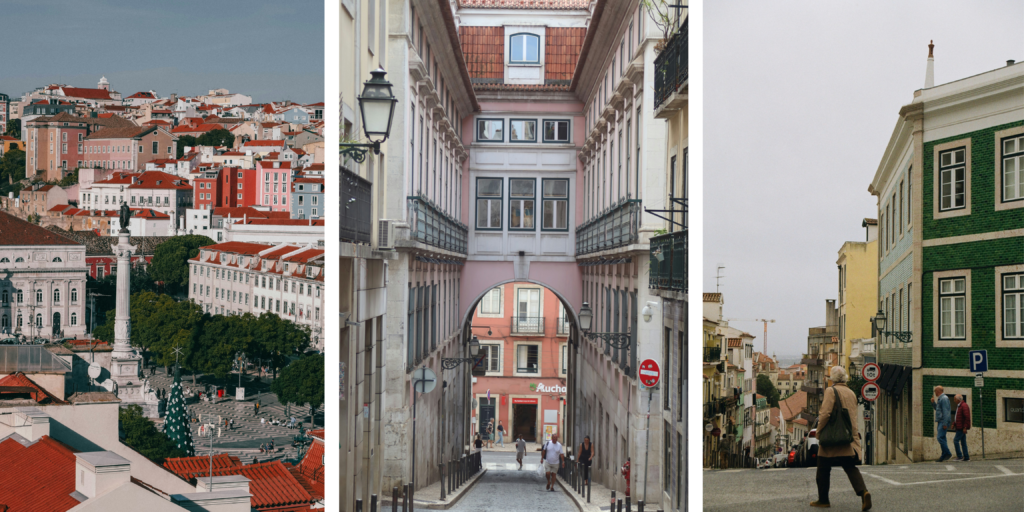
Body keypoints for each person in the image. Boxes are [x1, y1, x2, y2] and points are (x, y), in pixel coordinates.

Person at [810, 366, 870, 510]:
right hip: (848, 437)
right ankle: (864, 493)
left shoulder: (831, 391)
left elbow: (825, 414)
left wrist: (819, 431)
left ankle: (823, 499)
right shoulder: (851, 393)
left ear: (833, 378)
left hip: (832, 437)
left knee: (823, 468)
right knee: (850, 467)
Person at [931, 385, 953, 462]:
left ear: (938, 391)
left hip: (942, 421)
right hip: (940, 421)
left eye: (935, 391)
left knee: (940, 437)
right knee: (943, 438)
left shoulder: (944, 398)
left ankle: (948, 453)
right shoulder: (941, 399)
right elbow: (938, 409)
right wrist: (933, 403)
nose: (935, 393)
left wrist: (945, 423)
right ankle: (943, 456)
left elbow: (946, 412)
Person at [952, 394, 971, 462]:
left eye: (954, 399)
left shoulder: (963, 406)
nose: (954, 400)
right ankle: (966, 457)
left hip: (961, 427)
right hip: (960, 426)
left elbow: (967, 417)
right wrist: (954, 423)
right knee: (963, 442)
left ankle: (960, 456)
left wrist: (965, 427)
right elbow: (958, 417)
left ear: (958, 399)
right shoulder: (960, 406)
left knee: (956, 440)